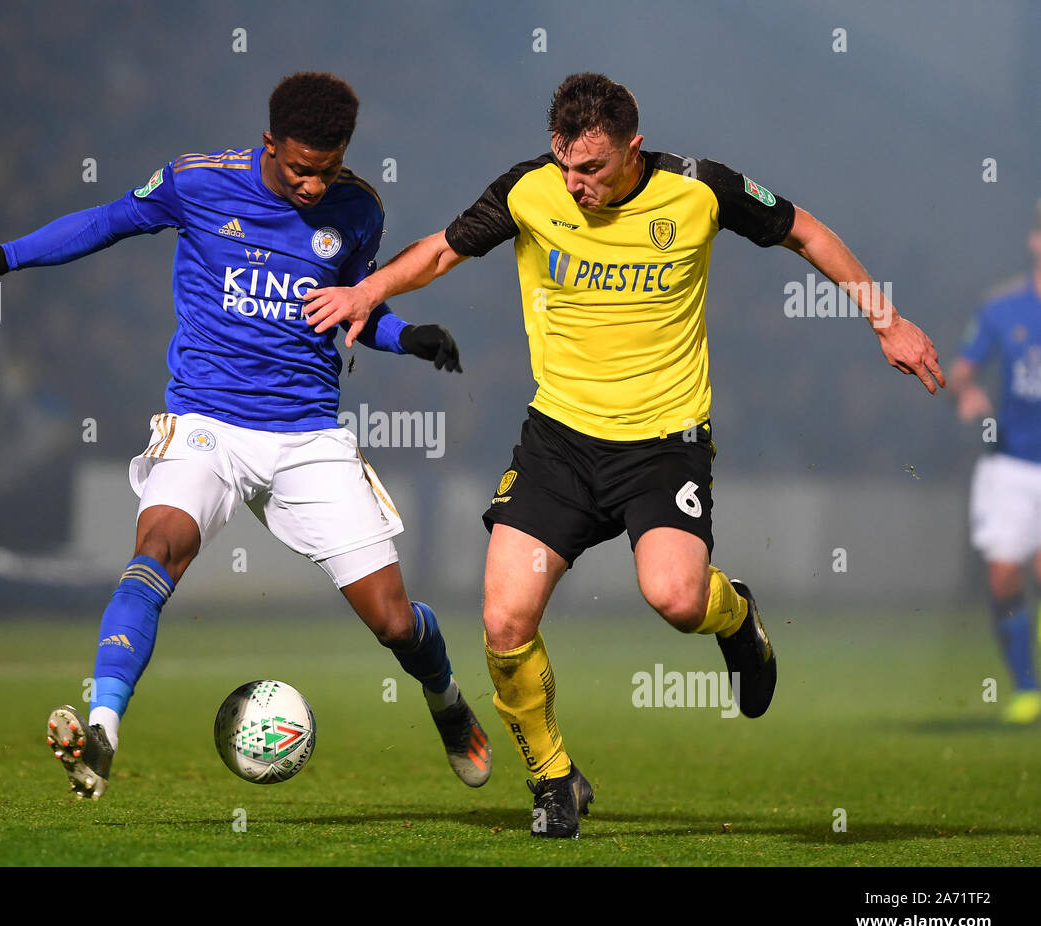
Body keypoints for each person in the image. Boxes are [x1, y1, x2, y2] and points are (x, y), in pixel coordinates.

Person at [303, 72, 944, 838]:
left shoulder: (699, 189)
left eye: (594, 169)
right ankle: (553, 782)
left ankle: (737, 619)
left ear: (632, 149)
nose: (576, 185)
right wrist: (367, 292)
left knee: (676, 599)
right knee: (504, 622)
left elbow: (804, 229)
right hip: (559, 445)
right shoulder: (530, 190)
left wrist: (885, 319)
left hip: (662, 447)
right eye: (567, 166)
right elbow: (442, 251)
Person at [0, 72, 491, 800]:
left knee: (390, 620)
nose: (312, 186)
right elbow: (103, 222)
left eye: (325, 169)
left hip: (306, 435)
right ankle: (103, 730)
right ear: (268, 145)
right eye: (296, 169)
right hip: (207, 423)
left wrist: (405, 334)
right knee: (157, 548)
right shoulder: (197, 183)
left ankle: (445, 699)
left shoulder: (358, 210)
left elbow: (351, 305)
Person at [949, 200, 1041, 724]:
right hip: (1010, 464)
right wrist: (967, 395)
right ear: (1035, 243)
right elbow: (962, 372)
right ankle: (1027, 687)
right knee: (1004, 577)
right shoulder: (1002, 309)